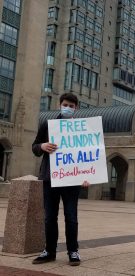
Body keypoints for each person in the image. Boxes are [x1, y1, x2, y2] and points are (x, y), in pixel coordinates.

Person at [32, 92, 90, 266]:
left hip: (72, 180)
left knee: (71, 216)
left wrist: (87, 174)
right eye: (65, 105)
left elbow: (87, 154)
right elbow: (34, 147)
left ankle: (73, 251)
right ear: (60, 105)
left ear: (76, 108)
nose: (68, 108)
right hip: (51, 177)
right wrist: (42, 146)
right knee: (50, 217)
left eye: (71, 106)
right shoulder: (48, 125)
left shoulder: (83, 128)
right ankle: (49, 251)